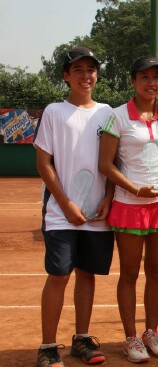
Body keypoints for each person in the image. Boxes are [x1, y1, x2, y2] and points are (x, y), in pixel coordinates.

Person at [34, 46, 115, 367]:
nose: (86, 76)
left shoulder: (108, 113)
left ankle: (82, 338)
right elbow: (43, 163)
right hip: (60, 213)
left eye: (91, 69)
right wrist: (66, 204)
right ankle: (47, 346)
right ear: (66, 76)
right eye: (78, 70)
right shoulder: (54, 112)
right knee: (58, 275)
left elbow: (112, 163)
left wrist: (108, 198)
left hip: (96, 215)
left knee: (87, 274)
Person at [98, 56, 158, 363]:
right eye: (145, 77)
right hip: (130, 204)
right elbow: (105, 164)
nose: (152, 83)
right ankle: (131, 337)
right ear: (133, 81)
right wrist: (135, 189)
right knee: (130, 274)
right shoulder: (117, 117)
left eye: (156, 78)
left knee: (156, 272)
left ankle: (151, 331)